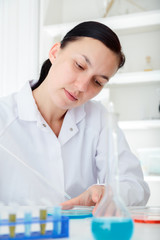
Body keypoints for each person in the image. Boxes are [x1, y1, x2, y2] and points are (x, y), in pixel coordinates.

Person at [0, 21, 150, 210]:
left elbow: (136, 187)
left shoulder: (98, 118)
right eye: (79, 65)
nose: (82, 87)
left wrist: (107, 192)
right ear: (55, 52)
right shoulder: (4, 118)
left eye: (97, 82)